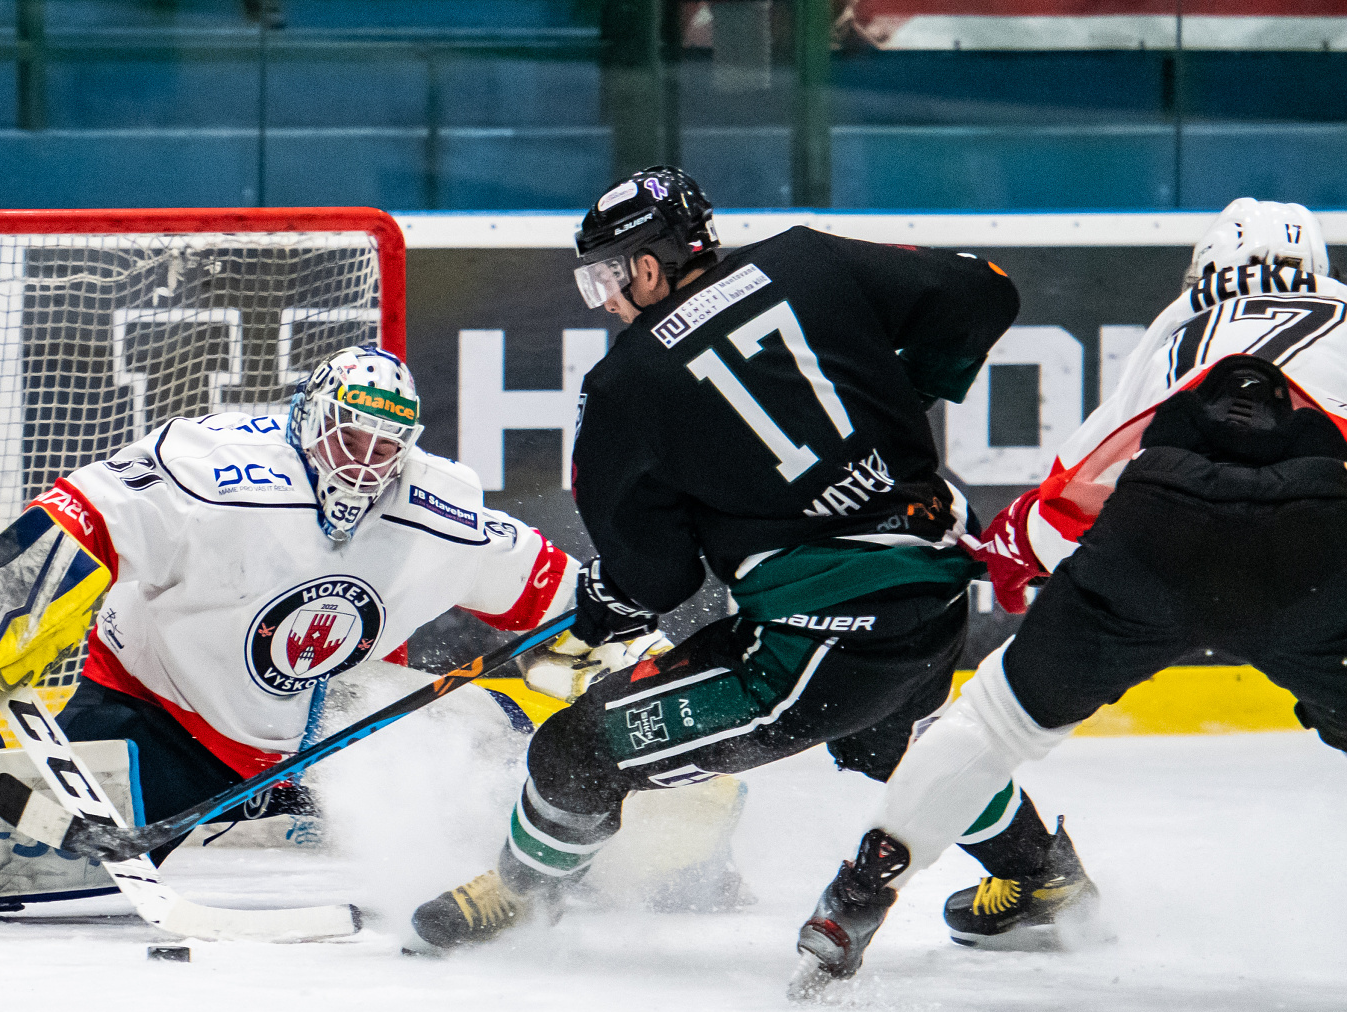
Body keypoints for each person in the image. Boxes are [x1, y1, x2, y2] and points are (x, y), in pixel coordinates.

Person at [409, 165, 1095, 952]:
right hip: (936, 593)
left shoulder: (626, 384)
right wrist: (906, 395)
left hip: (820, 647)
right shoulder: (808, 257)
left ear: (646, 264)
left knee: (574, 751)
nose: (606, 300)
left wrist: (610, 600)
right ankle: (1046, 875)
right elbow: (985, 290)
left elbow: (656, 576)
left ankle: (525, 896)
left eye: (607, 277)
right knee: (886, 742)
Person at [794, 198, 1347, 995]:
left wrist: (1006, 559)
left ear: (1208, 270)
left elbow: (1079, 485)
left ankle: (853, 899)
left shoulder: (1182, 325)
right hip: (1317, 546)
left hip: (1159, 530)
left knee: (992, 721)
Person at [0, 345, 577, 863]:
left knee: (499, 776)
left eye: (385, 449)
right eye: (352, 439)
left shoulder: (436, 507)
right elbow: (98, 511)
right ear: (313, 418)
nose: (364, 467)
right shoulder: (220, 468)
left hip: (332, 735)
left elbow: (551, 590)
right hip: (168, 717)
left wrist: (618, 641)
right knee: (33, 845)